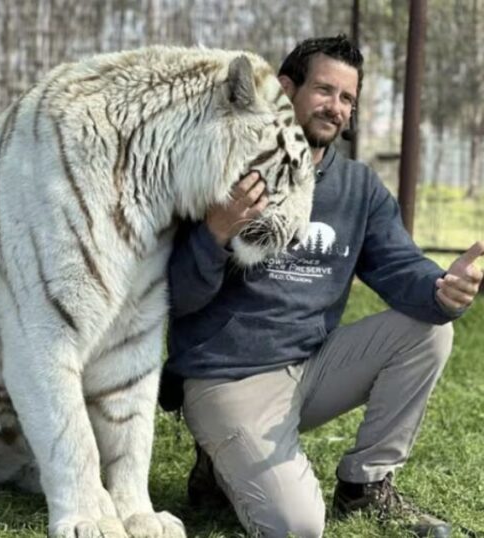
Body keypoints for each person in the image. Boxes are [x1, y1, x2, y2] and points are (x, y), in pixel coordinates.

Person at [163, 35, 483, 538]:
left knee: (429, 331)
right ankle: (219, 460)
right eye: (324, 90)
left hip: (312, 368)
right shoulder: (225, 170)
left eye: (347, 98)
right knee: (298, 528)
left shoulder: (358, 188)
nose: (336, 107)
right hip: (227, 378)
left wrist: (441, 287)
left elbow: (400, 267)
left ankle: (365, 484)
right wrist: (215, 233)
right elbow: (175, 300)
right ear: (286, 88)